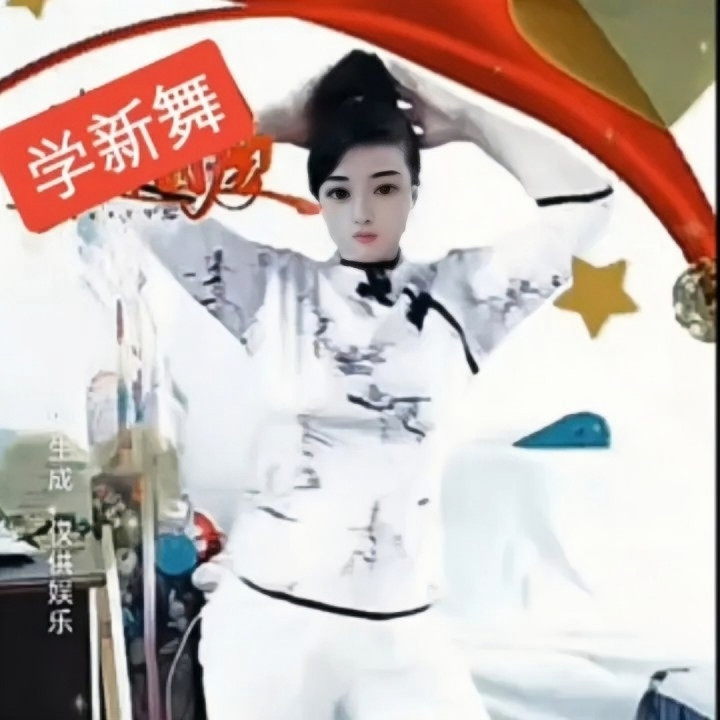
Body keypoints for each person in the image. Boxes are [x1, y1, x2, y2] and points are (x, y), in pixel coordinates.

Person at [88, 50, 615, 719]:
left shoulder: (461, 298)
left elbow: (590, 203)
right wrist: (267, 121)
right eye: (339, 192)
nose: (362, 211)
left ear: (414, 192)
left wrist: (470, 122)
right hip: (270, 625)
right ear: (319, 200)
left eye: (385, 188)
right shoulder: (270, 290)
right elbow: (111, 177)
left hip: (403, 632)